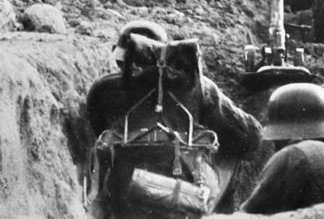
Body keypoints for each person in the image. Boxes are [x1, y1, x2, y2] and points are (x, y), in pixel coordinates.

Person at [86, 21, 263, 217]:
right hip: (181, 194)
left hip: (121, 194)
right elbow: (250, 136)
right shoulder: (199, 88)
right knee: (232, 150)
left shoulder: (103, 89)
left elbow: (97, 128)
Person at [239, 83, 324, 214]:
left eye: (276, 139)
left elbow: (249, 215)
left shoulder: (294, 155)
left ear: (285, 135)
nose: (275, 146)